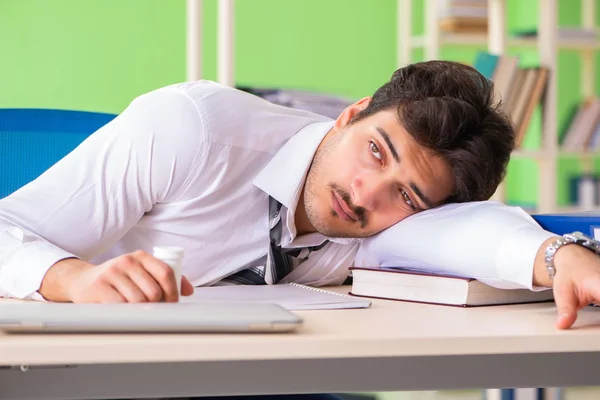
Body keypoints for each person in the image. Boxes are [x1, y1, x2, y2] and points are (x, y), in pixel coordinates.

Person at [1, 60, 599, 333]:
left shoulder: (381, 224)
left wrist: (559, 256)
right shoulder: (194, 129)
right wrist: (71, 278)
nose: (365, 195)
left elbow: (474, 232)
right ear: (351, 114)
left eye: (407, 197)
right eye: (376, 150)